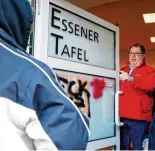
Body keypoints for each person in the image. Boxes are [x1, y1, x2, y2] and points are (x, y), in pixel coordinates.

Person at [0, 0, 89, 150]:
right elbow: (68, 139)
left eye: (136, 54)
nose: (133, 56)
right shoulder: (29, 73)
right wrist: (81, 103)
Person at [119, 43, 155, 150]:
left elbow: (151, 86)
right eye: (131, 53)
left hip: (139, 119)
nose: (133, 56)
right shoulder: (122, 70)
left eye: (137, 53)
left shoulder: (150, 71)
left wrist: (131, 79)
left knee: (138, 147)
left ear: (143, 56)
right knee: (122, 147)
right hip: (122, 116)